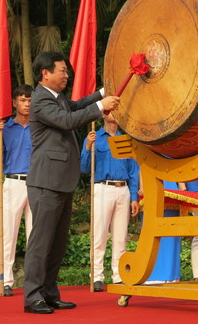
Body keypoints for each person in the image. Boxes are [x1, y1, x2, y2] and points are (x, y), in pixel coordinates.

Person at [23, 52, 120, 314]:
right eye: (62, 71)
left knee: (57, 243)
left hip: (62, 180)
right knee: (41, 242)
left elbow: (75, 107)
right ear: (45, 73)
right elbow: (67, 120)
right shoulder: (40, 99)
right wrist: (100, 108)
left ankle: (49, 293)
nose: (67, 75)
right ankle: (32, 297)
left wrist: (103, 93)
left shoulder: (57, 98)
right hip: (46, 181)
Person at [80, 112, 139, 292]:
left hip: (123, 189)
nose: (113, 114)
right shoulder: (94, 137)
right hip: (102, 187)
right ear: (103, 114)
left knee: (121, 237)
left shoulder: (126, 139)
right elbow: (84, 168)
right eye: (110, 110)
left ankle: (118, 275)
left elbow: (133, 171)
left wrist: (134, 197)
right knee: (99, 234)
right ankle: (97, 276)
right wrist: (88, 146)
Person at [0, 85, 33, 297]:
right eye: (22, 100)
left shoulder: (40, 127)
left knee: (35, 234)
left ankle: (34, 280)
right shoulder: (5, 128)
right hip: (13, 182)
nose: (27, 104)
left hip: (36, 182)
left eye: (30, 100)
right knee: (9, 233)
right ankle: (6, 279)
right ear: (14, 103)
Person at [145, 181, 184, 284]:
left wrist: (182, 187)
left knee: (171, 233)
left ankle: (171, 274)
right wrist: (142, 186)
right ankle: (152, 274)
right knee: (153, 232)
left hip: (172, 189)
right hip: (152, 186)